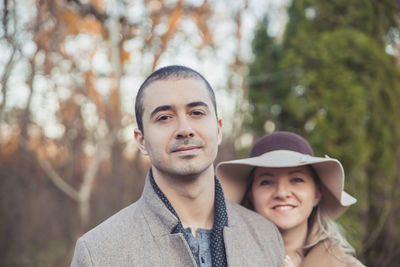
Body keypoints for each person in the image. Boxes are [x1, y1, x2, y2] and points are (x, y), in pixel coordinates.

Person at [70, 65, 284, 266]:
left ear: (218, 130)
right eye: (164, 117)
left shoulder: (265, 235)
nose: (185, 129)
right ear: (141, 140)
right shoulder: (98, 253)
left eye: (197, 113)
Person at [216, 131, 366, 267]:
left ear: (317, 194)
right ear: (251, 195)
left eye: (297, 180)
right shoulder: (221, 259)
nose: (281, 193)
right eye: (266, 182)